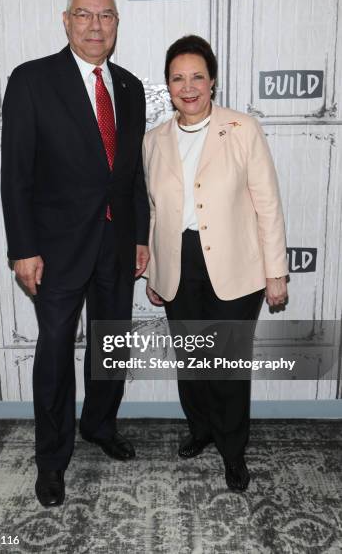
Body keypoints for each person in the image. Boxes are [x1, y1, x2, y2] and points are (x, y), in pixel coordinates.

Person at [1, 0, 149, 507]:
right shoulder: (32, 80)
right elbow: (15, 173)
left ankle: (100, 426)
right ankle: (51, 459)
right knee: (56, 354)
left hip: (116, 244)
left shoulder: (129, 88)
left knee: (111, 345)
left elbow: (132, 174)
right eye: (84, 15)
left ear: (116, 24)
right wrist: (23, 247)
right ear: (66, 21)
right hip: (56, 248)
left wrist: (140, 237)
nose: (95, 26)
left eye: (105, 16)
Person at [143, 35, 288, 492]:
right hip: (178, 263)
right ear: (167, 85)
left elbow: (267, 204)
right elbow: (153, 210)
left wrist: (276, 271)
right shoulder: (153, 141)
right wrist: (154, 270)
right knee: (191, 360)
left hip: (235, 266)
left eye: (197, 77)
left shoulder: (242, 129)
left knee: (225, 364)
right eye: (178, 78)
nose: (188, 87)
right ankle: (201, 429)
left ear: (213, 82)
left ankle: (232, 449)